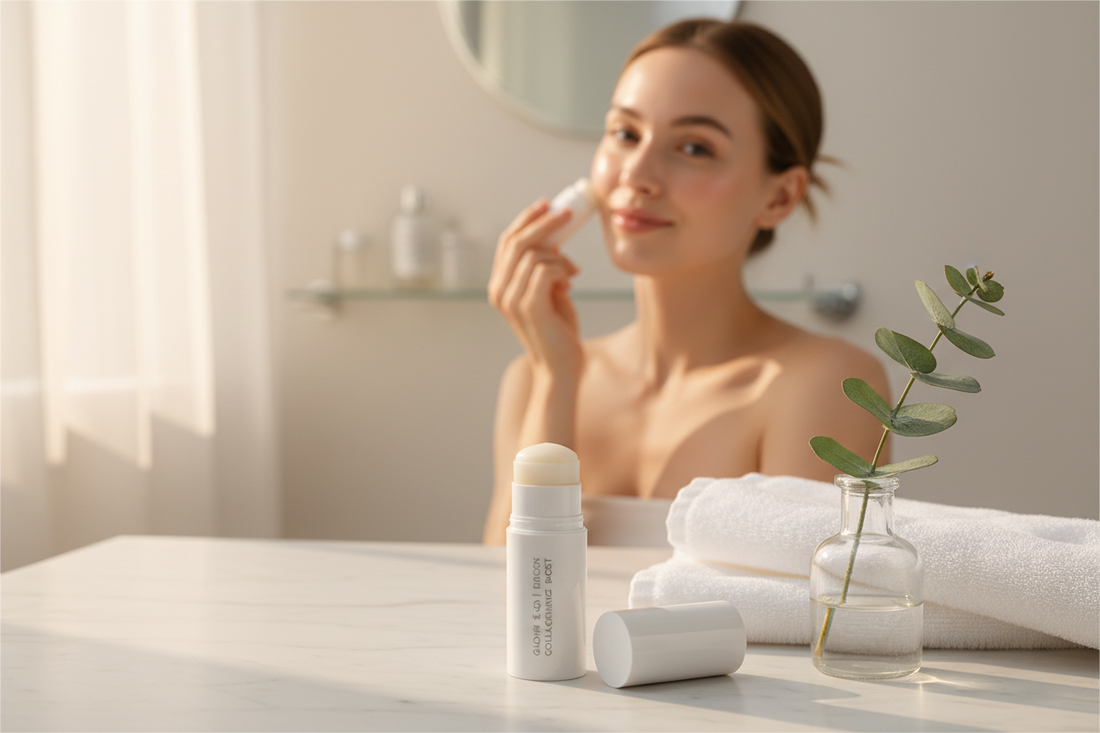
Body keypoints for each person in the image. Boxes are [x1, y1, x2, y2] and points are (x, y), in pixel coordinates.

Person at [483, 19, 890, 545]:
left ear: (780, 197)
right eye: (625, 134)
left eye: (694, 148)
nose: (636, 173)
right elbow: (506, 597)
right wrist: (556, 379)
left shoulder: (825, 384)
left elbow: (794, 611)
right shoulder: (533, 379)